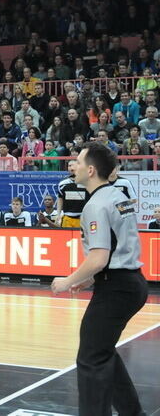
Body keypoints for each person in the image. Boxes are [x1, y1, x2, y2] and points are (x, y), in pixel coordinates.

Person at [51, 142, 148, 416]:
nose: (74, 166)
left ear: (91, 170)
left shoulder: (95, 205)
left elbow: (99, 258)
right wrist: (91, 279)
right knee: (102, 351)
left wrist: (67, 281)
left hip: (117, 288)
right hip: (130, 282)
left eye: (79, 162)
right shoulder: (119, 196)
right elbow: (120, 244)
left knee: (91, 358)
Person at [56, 159, 87, 228]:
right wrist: (58, 214)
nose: (70, 168)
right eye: (69, 166)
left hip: (82, 218)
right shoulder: (62, 184)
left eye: (72, 165)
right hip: (67, 218)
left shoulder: (86, 182)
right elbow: (60, 199)